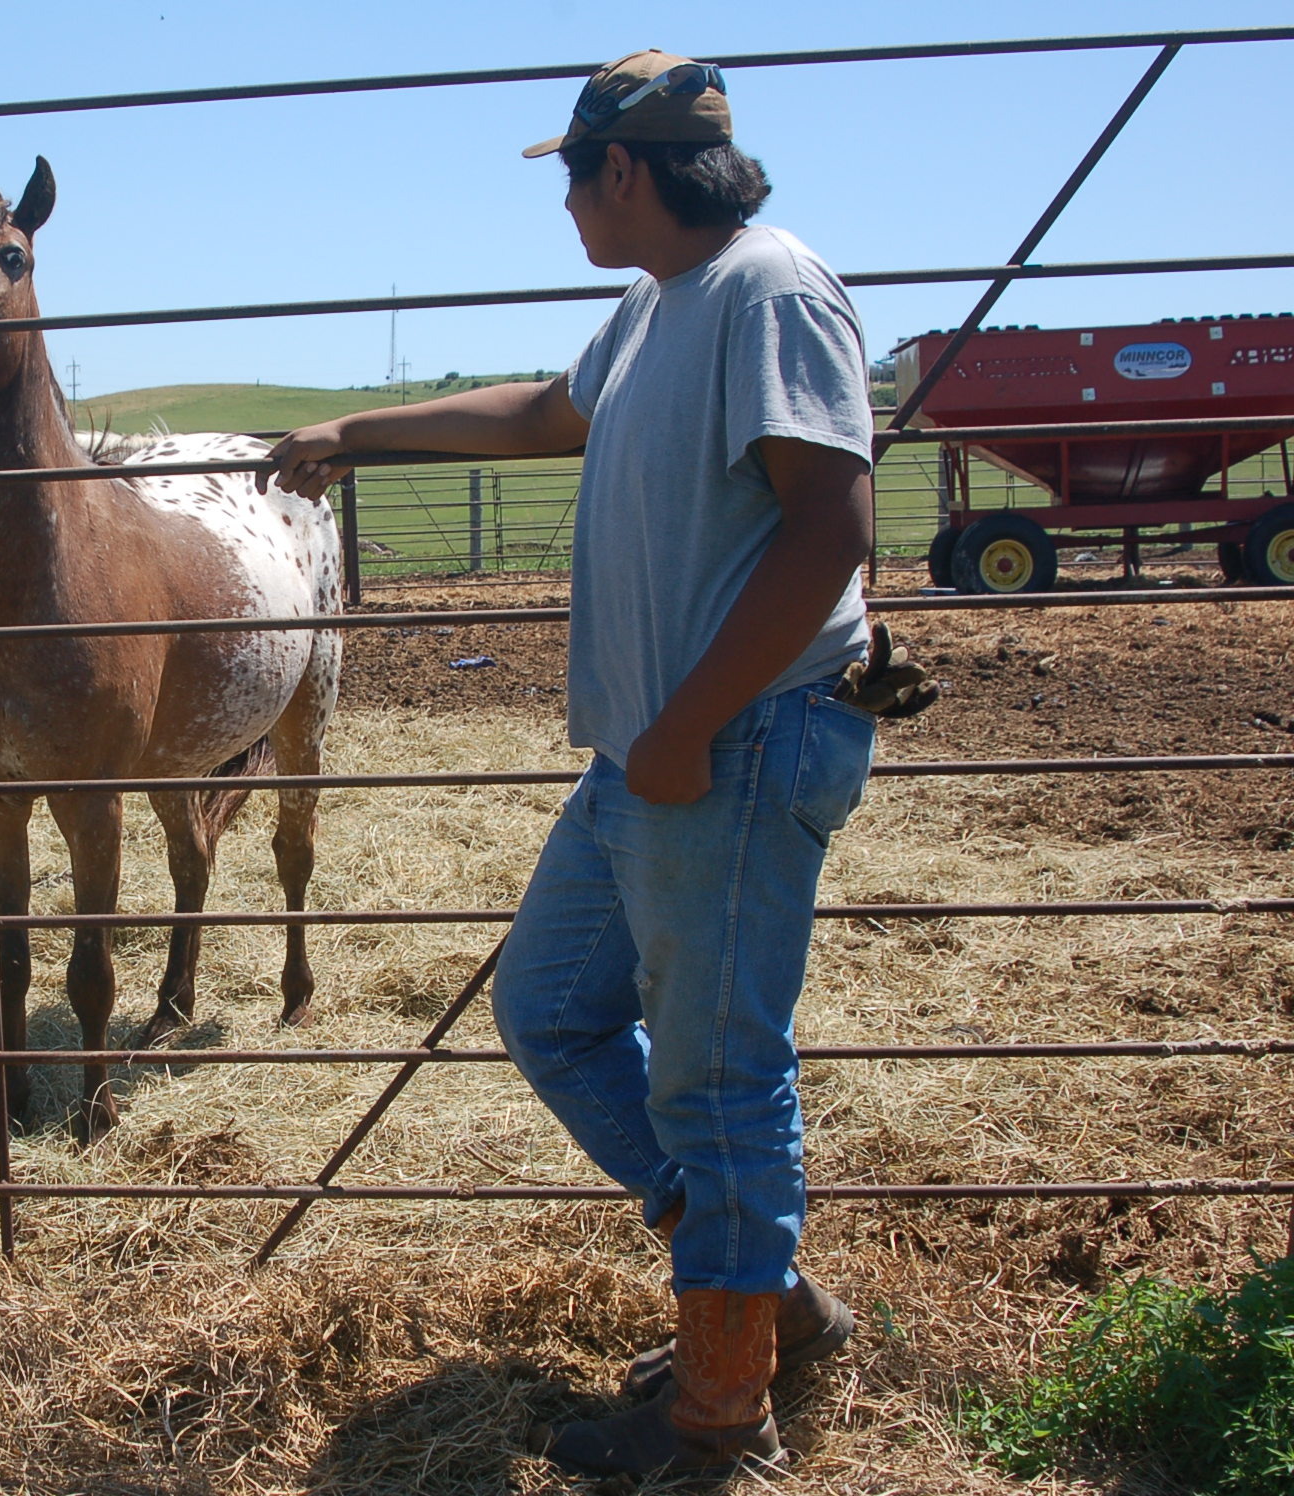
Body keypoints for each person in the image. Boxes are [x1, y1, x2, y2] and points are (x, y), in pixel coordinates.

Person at [265, 51, 929, 1478]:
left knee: (716, 1076)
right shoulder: (655, 309)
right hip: (655, 751)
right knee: (557, 1010)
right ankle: (758, 1297)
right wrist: (355, 433)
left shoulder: (772, 290)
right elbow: (542, 416)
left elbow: (832, 527)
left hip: (733, 742)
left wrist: (688, 727)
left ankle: (718, 1418)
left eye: (571, 174)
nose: (564, 203)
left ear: (621, 168)